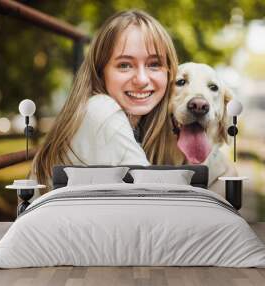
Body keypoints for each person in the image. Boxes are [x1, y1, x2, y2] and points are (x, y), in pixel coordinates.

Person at [31, 10, 178, 190]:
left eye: (154, 64)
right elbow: (153, 198)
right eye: (124, 65)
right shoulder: (102, 111)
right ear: (100, 72)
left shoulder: (138, 123)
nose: (141, 79)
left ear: (169, 71)